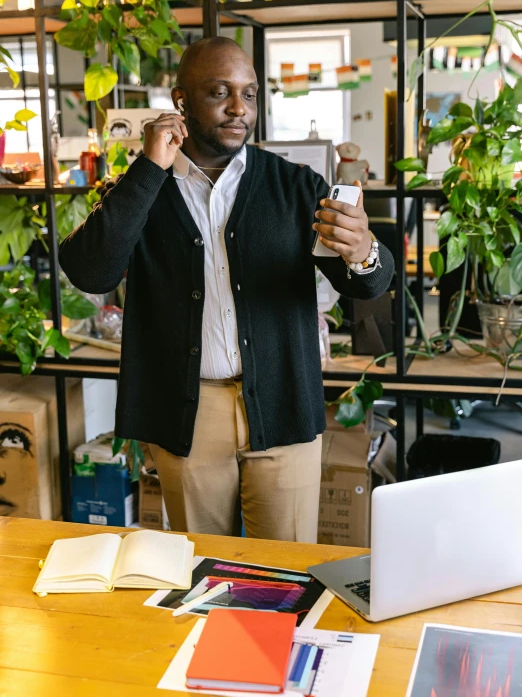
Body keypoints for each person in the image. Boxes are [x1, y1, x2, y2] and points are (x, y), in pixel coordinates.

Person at [60, 37, 393, 543]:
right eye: (220, 92)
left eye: (250, 93)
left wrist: (362, 248)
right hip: (186, 412)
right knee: (203, 576)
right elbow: (91, 272)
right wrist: (148, 169)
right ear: (181, 102)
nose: (240, 108)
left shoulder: (294, 185)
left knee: (286, 576)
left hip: (282, 402)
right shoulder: (141, 188)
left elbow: (367, 282)